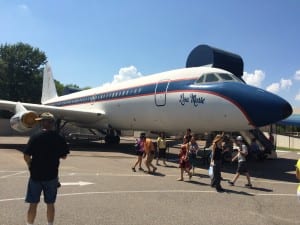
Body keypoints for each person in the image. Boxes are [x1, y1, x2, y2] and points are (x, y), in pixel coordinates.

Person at [23, 112, 69, 225]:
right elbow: (64, 156)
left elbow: (26, 155)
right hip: (52, 176)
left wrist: (30, 165)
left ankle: (30, 224)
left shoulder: (35, 137)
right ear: (52, 123)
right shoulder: (59, 138)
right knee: (50, 203)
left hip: (36, 175)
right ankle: (50, 223)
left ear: (41, 123)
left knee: (33, 204)